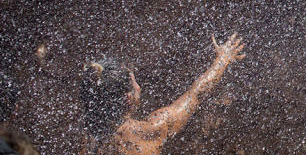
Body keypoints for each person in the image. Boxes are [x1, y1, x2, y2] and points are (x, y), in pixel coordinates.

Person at [80, 33, 244, 155]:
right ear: (127, 98)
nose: (139, 87)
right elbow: (195, 95)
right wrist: (223, 59)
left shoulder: (88, 139)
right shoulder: (148, 132)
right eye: (134, 82)